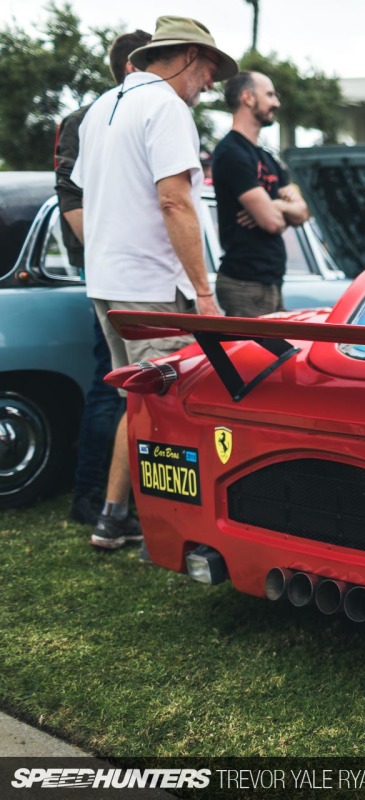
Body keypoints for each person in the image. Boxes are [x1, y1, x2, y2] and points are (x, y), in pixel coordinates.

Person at [72, 16, 237, 550]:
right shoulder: (166, 106)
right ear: (188, 55)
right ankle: (166, 531)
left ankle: (113, 517)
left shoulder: (101, 106)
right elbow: (174, 200)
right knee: (171, 408)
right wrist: (205, 294)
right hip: (149, 283)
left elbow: (84, 193)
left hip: (106, 278)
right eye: (210, 69)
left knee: (137, 403)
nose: (210, 84)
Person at [53, 29, 152, 526]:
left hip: (125, 264)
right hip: (110, 268)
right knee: (108, 381)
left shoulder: (132, 114)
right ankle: (90, 497)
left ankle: (118, 497)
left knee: (121, 383)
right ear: (134, 66)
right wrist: (111, 255)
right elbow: (72, 196)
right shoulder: (87, 118)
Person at [211, 71, 309, 318]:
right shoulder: (231, 152)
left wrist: (272, 204)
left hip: (271, 281)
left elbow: (303, 213)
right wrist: (278, 211)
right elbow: (273, 222)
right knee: (252, 357)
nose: (276, 103)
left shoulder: (267, 157)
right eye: (270, 95)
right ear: (247, 98)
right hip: (244, 283)